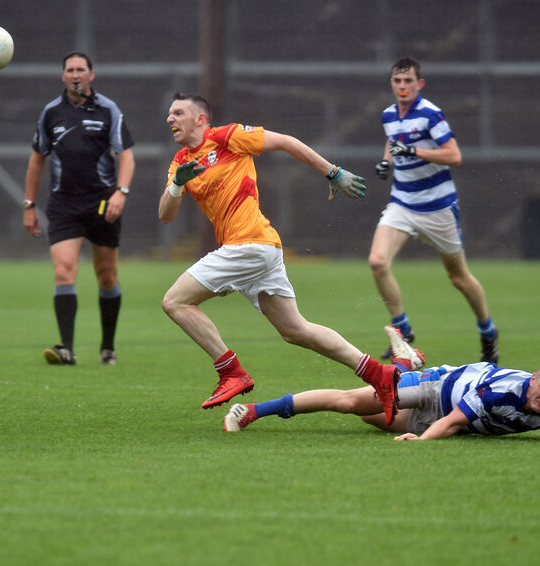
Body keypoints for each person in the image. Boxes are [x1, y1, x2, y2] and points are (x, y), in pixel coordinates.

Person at [158, 92, 401, 422]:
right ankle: (378, 374)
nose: (170, 119)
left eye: (178, 113)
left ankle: (230, 372)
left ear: (200, 118)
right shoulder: (181, 161)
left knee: (175, 301)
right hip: (260, 249)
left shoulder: (227, 137)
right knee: (295, 330)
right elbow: (166, 215)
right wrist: (177, 185)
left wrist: (332, 171)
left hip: (249, 246)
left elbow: (286, 142)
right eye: (170, 114)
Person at [223, 326, 540, 443]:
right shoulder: (502, 391)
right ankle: (253, 412)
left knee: (370, 418)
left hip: (445, 416)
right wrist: (422, 441)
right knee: (350, 403)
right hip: (436, 389)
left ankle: (404, 362)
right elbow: (453, 421)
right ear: (533, 379)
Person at [371, 57, 499, 364]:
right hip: (402, 203)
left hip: (438, 208)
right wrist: (387, 162)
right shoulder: (388, 115)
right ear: (392, 84)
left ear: (420, 84)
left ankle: (488, 331)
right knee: (377, 262)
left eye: (408, 81)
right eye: (398, 81)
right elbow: (393, 142)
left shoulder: (431, 114)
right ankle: (403, 330)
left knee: (458, 278)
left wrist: (413, 150)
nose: (403, 86)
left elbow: (454, 156)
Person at [23, 51, 135, 366]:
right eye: (70, 70)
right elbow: (37, 160)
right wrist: (29, 205)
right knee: (63, 271)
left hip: (103, 203)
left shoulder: (108, 109)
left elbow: (126, 156)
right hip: (64, 204)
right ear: (63, 76)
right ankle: (66, 350)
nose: (75, 75)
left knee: (107, 275)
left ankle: (108, 347)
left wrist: (121, 193)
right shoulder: (51, 113)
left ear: (91, 75)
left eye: (80, 69)